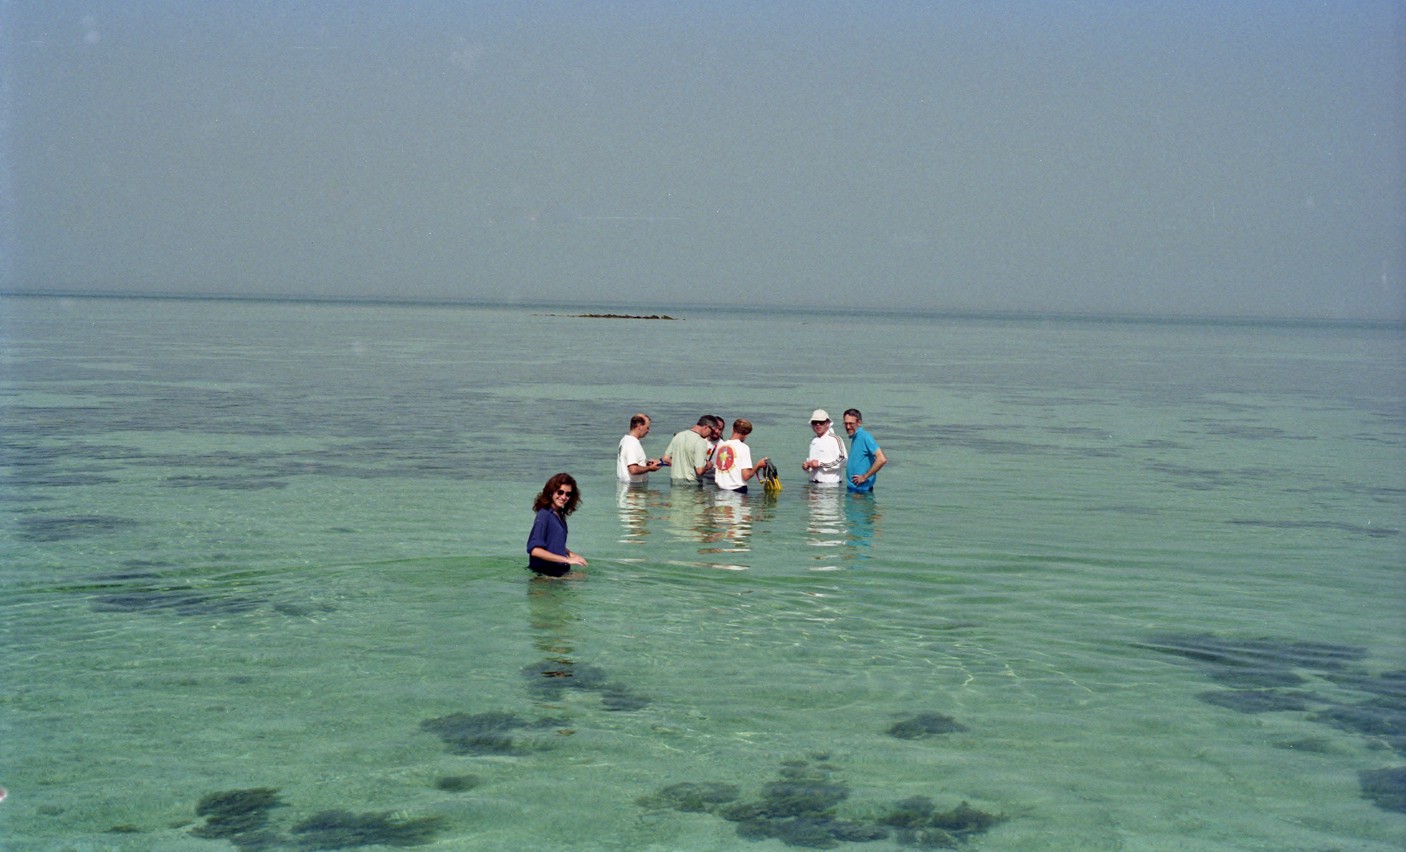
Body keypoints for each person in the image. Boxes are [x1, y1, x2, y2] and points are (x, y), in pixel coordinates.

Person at [526, 473, 587, 578]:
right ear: (551, 492)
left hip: (557, 573)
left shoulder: (559, 516)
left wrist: (570, 553)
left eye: (568, 494)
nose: (563, 497)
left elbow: (552, 543)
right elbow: (535, 550)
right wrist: (567, 560)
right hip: (544, 575)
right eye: (560, 492)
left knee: (583, 578)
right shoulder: (544, 515)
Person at [712, 419, 768, 494]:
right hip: (737, 490)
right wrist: (758, 465)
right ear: (747, 434)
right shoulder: (743, 448)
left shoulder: (720, 446)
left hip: (720, 490)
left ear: (732, 429)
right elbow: (746, 476)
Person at [843, 408, 887, 493]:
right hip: (853, 490)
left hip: (862, 492)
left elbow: (882, 459)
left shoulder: (864, 436)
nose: (848, 427)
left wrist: (864, 477)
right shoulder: (855, 437)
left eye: (851, 423)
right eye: (846, 424)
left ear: (859, 422)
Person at [663, 416, 714, 485]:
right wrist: (708, 465)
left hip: (675, 481)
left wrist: (681, 465)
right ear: (706, 427)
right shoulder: (700, 441)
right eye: (712, 431)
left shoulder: (678, 436)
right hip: (691, 483)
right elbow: (699, 470)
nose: (710, 435)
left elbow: (665, 458)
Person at [801, 409, 846, 485]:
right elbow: (813, 463)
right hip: (813, 486)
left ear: (827, 423)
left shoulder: (835, 439)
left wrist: (820, 464)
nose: (818, 425)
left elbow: (843, 460)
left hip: (831, 486)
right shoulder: (814, 440)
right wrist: (807, 466)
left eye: (821, 422)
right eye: (815, 422)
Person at [616, 412, 662, 484]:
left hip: (626, 486)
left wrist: (646, 463)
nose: (648, 431)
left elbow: (631, 462)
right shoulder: (632, 443)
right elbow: (633, 469)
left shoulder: (625, 439)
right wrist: (650, 468)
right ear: (640, 426)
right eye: (647, 427)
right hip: (633, 488)